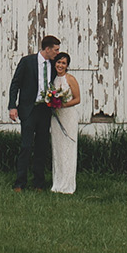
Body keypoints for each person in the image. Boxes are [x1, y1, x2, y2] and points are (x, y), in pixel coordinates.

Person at [8, 34, 60, 191]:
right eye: (55, 50)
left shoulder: (54, 65)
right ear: (47, 49)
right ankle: (20, 182)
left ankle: (39, 182)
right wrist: (12, 106)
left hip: (45, 110)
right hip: (29, 109)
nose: (57, 53)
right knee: (26, 146)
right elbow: (15, 84)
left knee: (42, 147)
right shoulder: (27, 62)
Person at [49, 52, 82, 194]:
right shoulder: (53, 79)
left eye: (63, 63)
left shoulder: (70, 79)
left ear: (67, 65)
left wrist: (62, 105)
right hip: (55, 118)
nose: (60, 65)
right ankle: (57, 182)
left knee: (68, 148)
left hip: (68, 116)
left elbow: (77, 99)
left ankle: (68, 184)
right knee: (58, 148)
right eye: (58, 62)